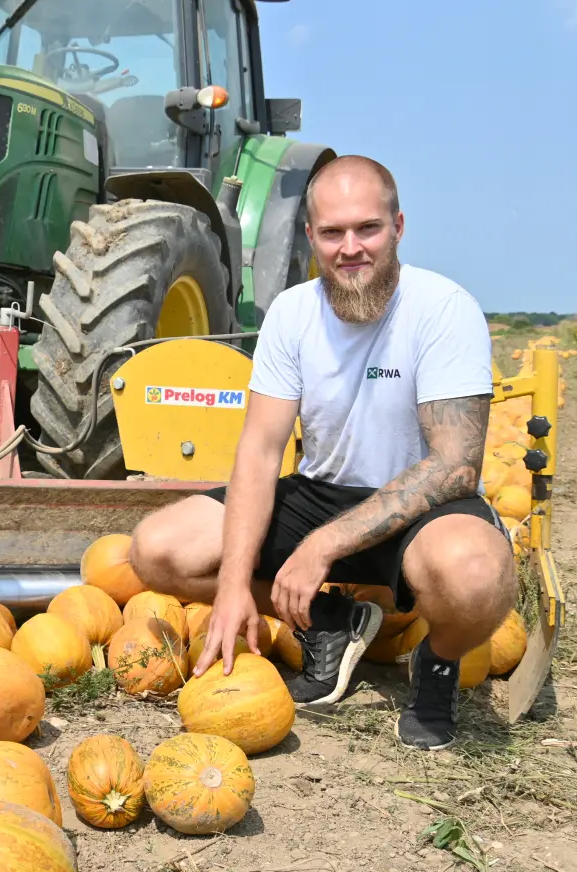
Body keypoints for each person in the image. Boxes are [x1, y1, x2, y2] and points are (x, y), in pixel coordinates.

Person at [128, 155, 514, 750]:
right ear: (311, 236)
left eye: (368, 228)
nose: (350, 247)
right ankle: (331, 623)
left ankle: (437, 659)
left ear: (399, 227)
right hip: (321, 493)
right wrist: (233, 587)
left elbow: (454, 466)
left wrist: (322, 546)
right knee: (158, 551)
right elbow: (260, 451)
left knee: (476, 577)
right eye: (332, 232)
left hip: (421, 507)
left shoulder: (442, 308)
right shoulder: (291, 313)